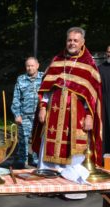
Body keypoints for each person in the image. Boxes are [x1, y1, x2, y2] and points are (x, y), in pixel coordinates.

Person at [32, 27, 102, 192]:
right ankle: (47, 187)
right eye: (69, 40)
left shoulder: (89, 63)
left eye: (75, 40)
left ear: (82, 42)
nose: (72, 43)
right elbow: (45, 88)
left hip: (77, 116)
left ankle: (72, 188)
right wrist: (42, 107)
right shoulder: (57, 59)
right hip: (54, 113)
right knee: (47, 148)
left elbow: (92, 95)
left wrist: (89, 116)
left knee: (74, 151)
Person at [11, 57, 43, 169]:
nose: (29, 68)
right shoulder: (21, 79)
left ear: (37, 65)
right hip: (25, 114)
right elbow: (16, 98)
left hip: (40, 115)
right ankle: (22, 160)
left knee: (38, 137)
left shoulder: (44, 78)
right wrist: (17, 114)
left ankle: (36, 160)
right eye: (28, 66)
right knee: (23, 138)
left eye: (32, 65)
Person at [98, 45, 110, 154]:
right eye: (108, 51)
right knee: (105, 132)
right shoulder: (100, 69)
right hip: (104, 104)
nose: (109, 53)